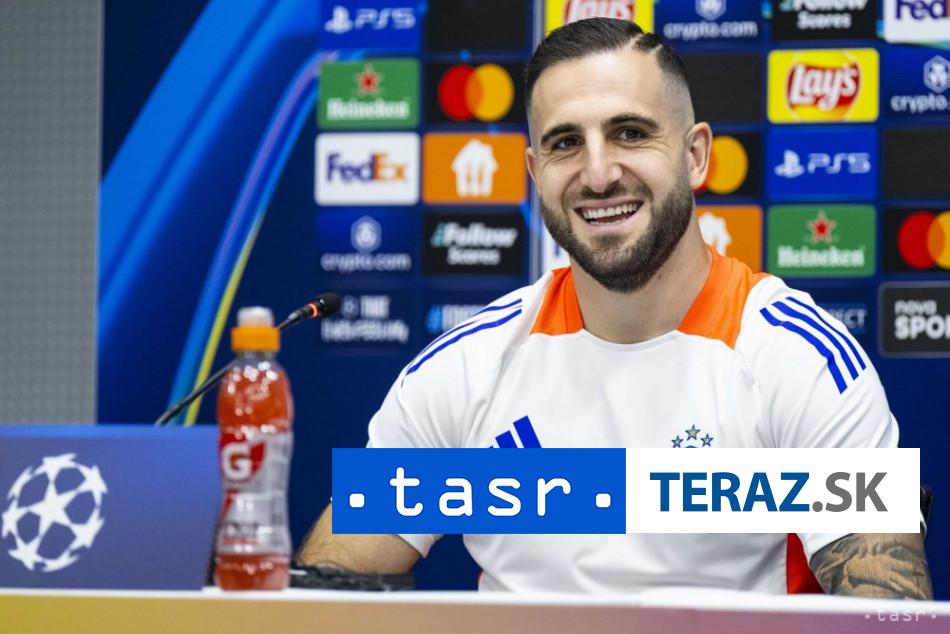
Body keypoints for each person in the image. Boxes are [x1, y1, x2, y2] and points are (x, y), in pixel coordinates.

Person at [297, 18, 933, 598]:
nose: (598, 174)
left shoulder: (799, 360)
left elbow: (888, 614)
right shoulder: (468, 366)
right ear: (534, 171)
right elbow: (327, 590)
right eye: (565, 143)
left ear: (695, 155)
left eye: (630, 133)